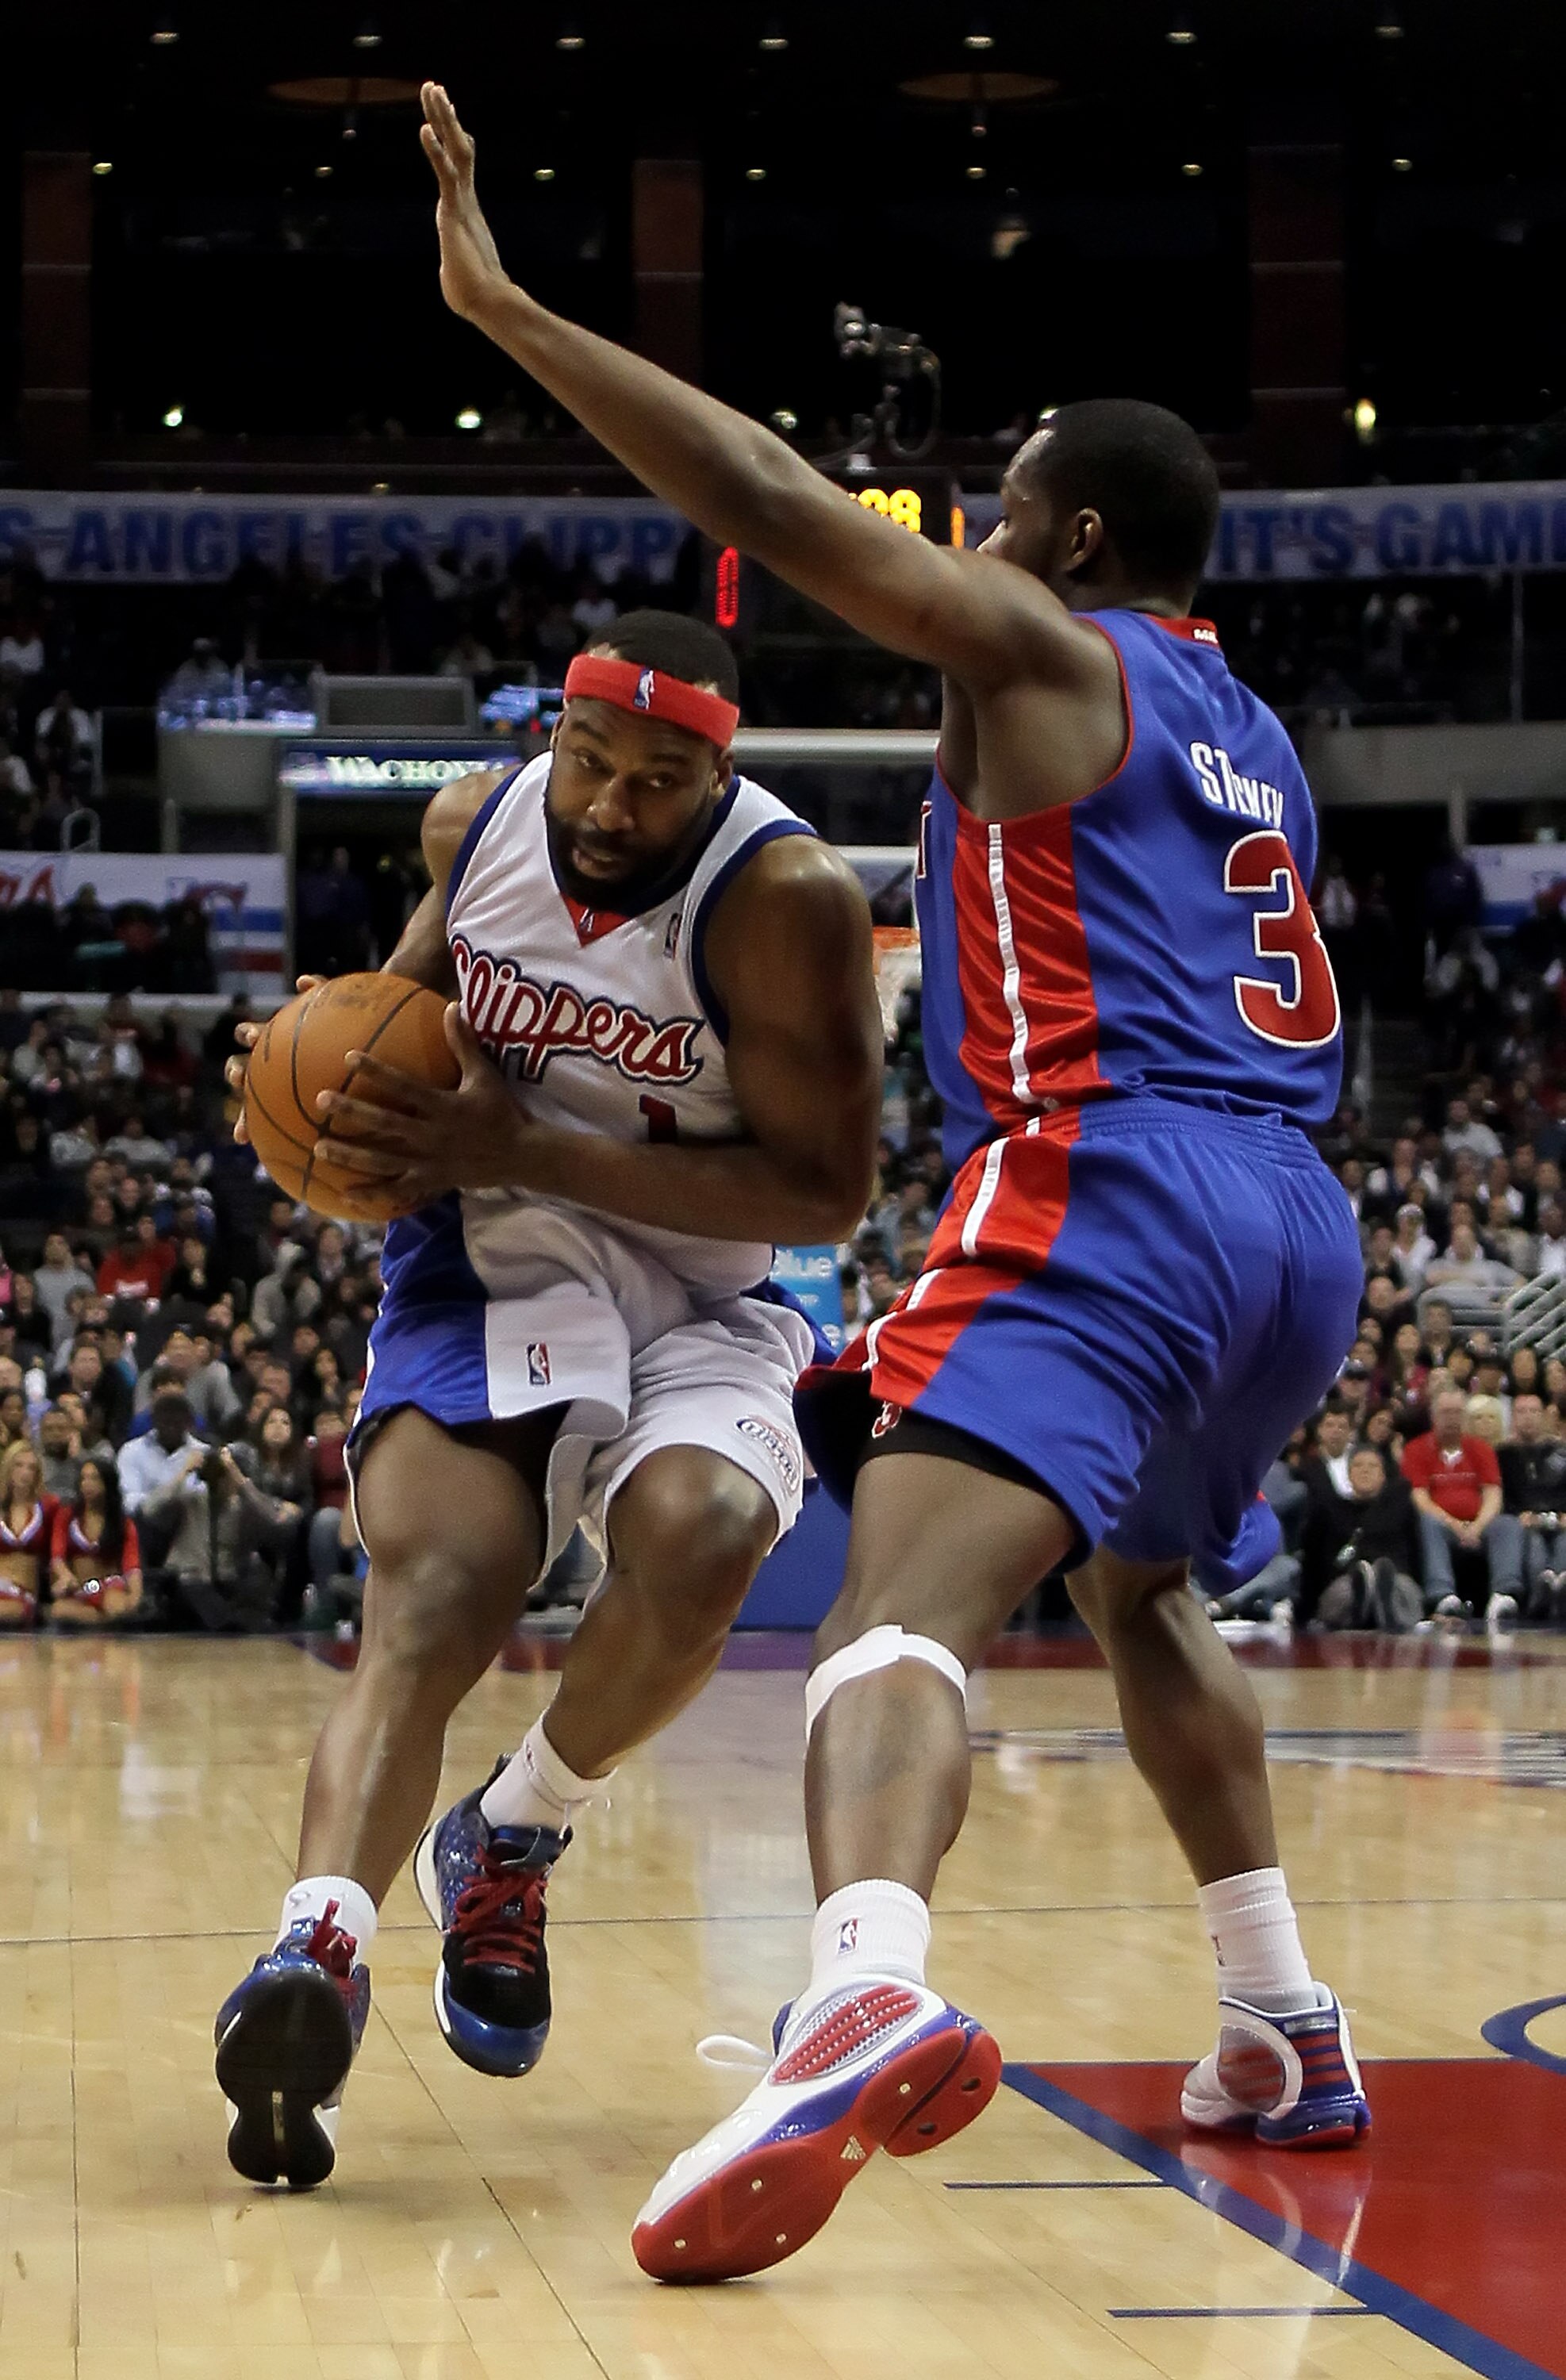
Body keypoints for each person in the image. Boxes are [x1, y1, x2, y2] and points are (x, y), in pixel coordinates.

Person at [411, 79, 1372, 2271]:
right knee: (1142, 1596)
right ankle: (1277, 2019)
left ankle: (850, 1984)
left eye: (999, 508)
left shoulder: (1047, 649)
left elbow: (754, 486)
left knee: (887, 1617)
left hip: (1108, 1178)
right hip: (1290, 1218)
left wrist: (510, 311)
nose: (969, 530)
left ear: (1076, 547)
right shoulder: (1251, 733)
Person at [213, 601, 882, 2190]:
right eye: (586, 762)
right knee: (441, 1585)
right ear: (550, 743)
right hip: (491, 1251)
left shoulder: (786, 905)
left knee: (709, 1531)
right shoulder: (482, 826)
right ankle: (315, 1949)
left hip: (704, 1280)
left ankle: (513, 1829)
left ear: (716, 781)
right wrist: (306, 1088)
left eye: (655, 781)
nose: (607, 806)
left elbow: (829, 1189)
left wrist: (525, 1144)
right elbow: (395, 1018)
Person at [1400, 1386, 1522, 1632]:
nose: (1452, 1418)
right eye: (1446, 1412)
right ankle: (1443, 1595)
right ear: (1434, 1416)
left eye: (1457, 1412)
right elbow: (1420, 1498)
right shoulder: (1416, 1449)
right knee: (1427, 1521)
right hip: (1441, 1523)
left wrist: (1477, 1526)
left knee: (1508, 1524)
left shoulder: (1480, 1449)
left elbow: (1493, 1493)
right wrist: (1455, 1525)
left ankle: (1503, 1595)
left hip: (1478, 1525)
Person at [1497, 1389, 1566, 1622]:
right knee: (1534, 1544)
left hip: (1560, 1518)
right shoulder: (1502, 1455)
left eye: (1534, 1411)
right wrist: (1518, 1515)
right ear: (1513, 1417)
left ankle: (1560, 1590)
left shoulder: (1560, 1453)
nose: (1528, 1416)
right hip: (1523, 1521)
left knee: (1564, 1542)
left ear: (1545, 1416)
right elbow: (1499, 1494)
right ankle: (1541, 1594)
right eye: (1522, 1411)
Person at [49, 1457, 142, 1626]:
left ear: (108, 1483)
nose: (87, 1484)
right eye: (84, 1478)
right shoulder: (67, 1516)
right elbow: (57, 1556)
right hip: (82, 1588)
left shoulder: (122, 1523)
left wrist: (135, 1595)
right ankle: (105, 1622)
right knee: (58, 1610)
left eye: (94, 1478)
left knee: (116, 1606)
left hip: (109, 1586)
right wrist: (65, 1576)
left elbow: (132, 1566)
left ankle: (111, 1617)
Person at [0, 1441, 55, 1626]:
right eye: (19, 1465)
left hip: (23, 1595)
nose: (25, 1473)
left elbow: (57, 1553)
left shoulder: (48, 1508)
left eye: (31, 1468)